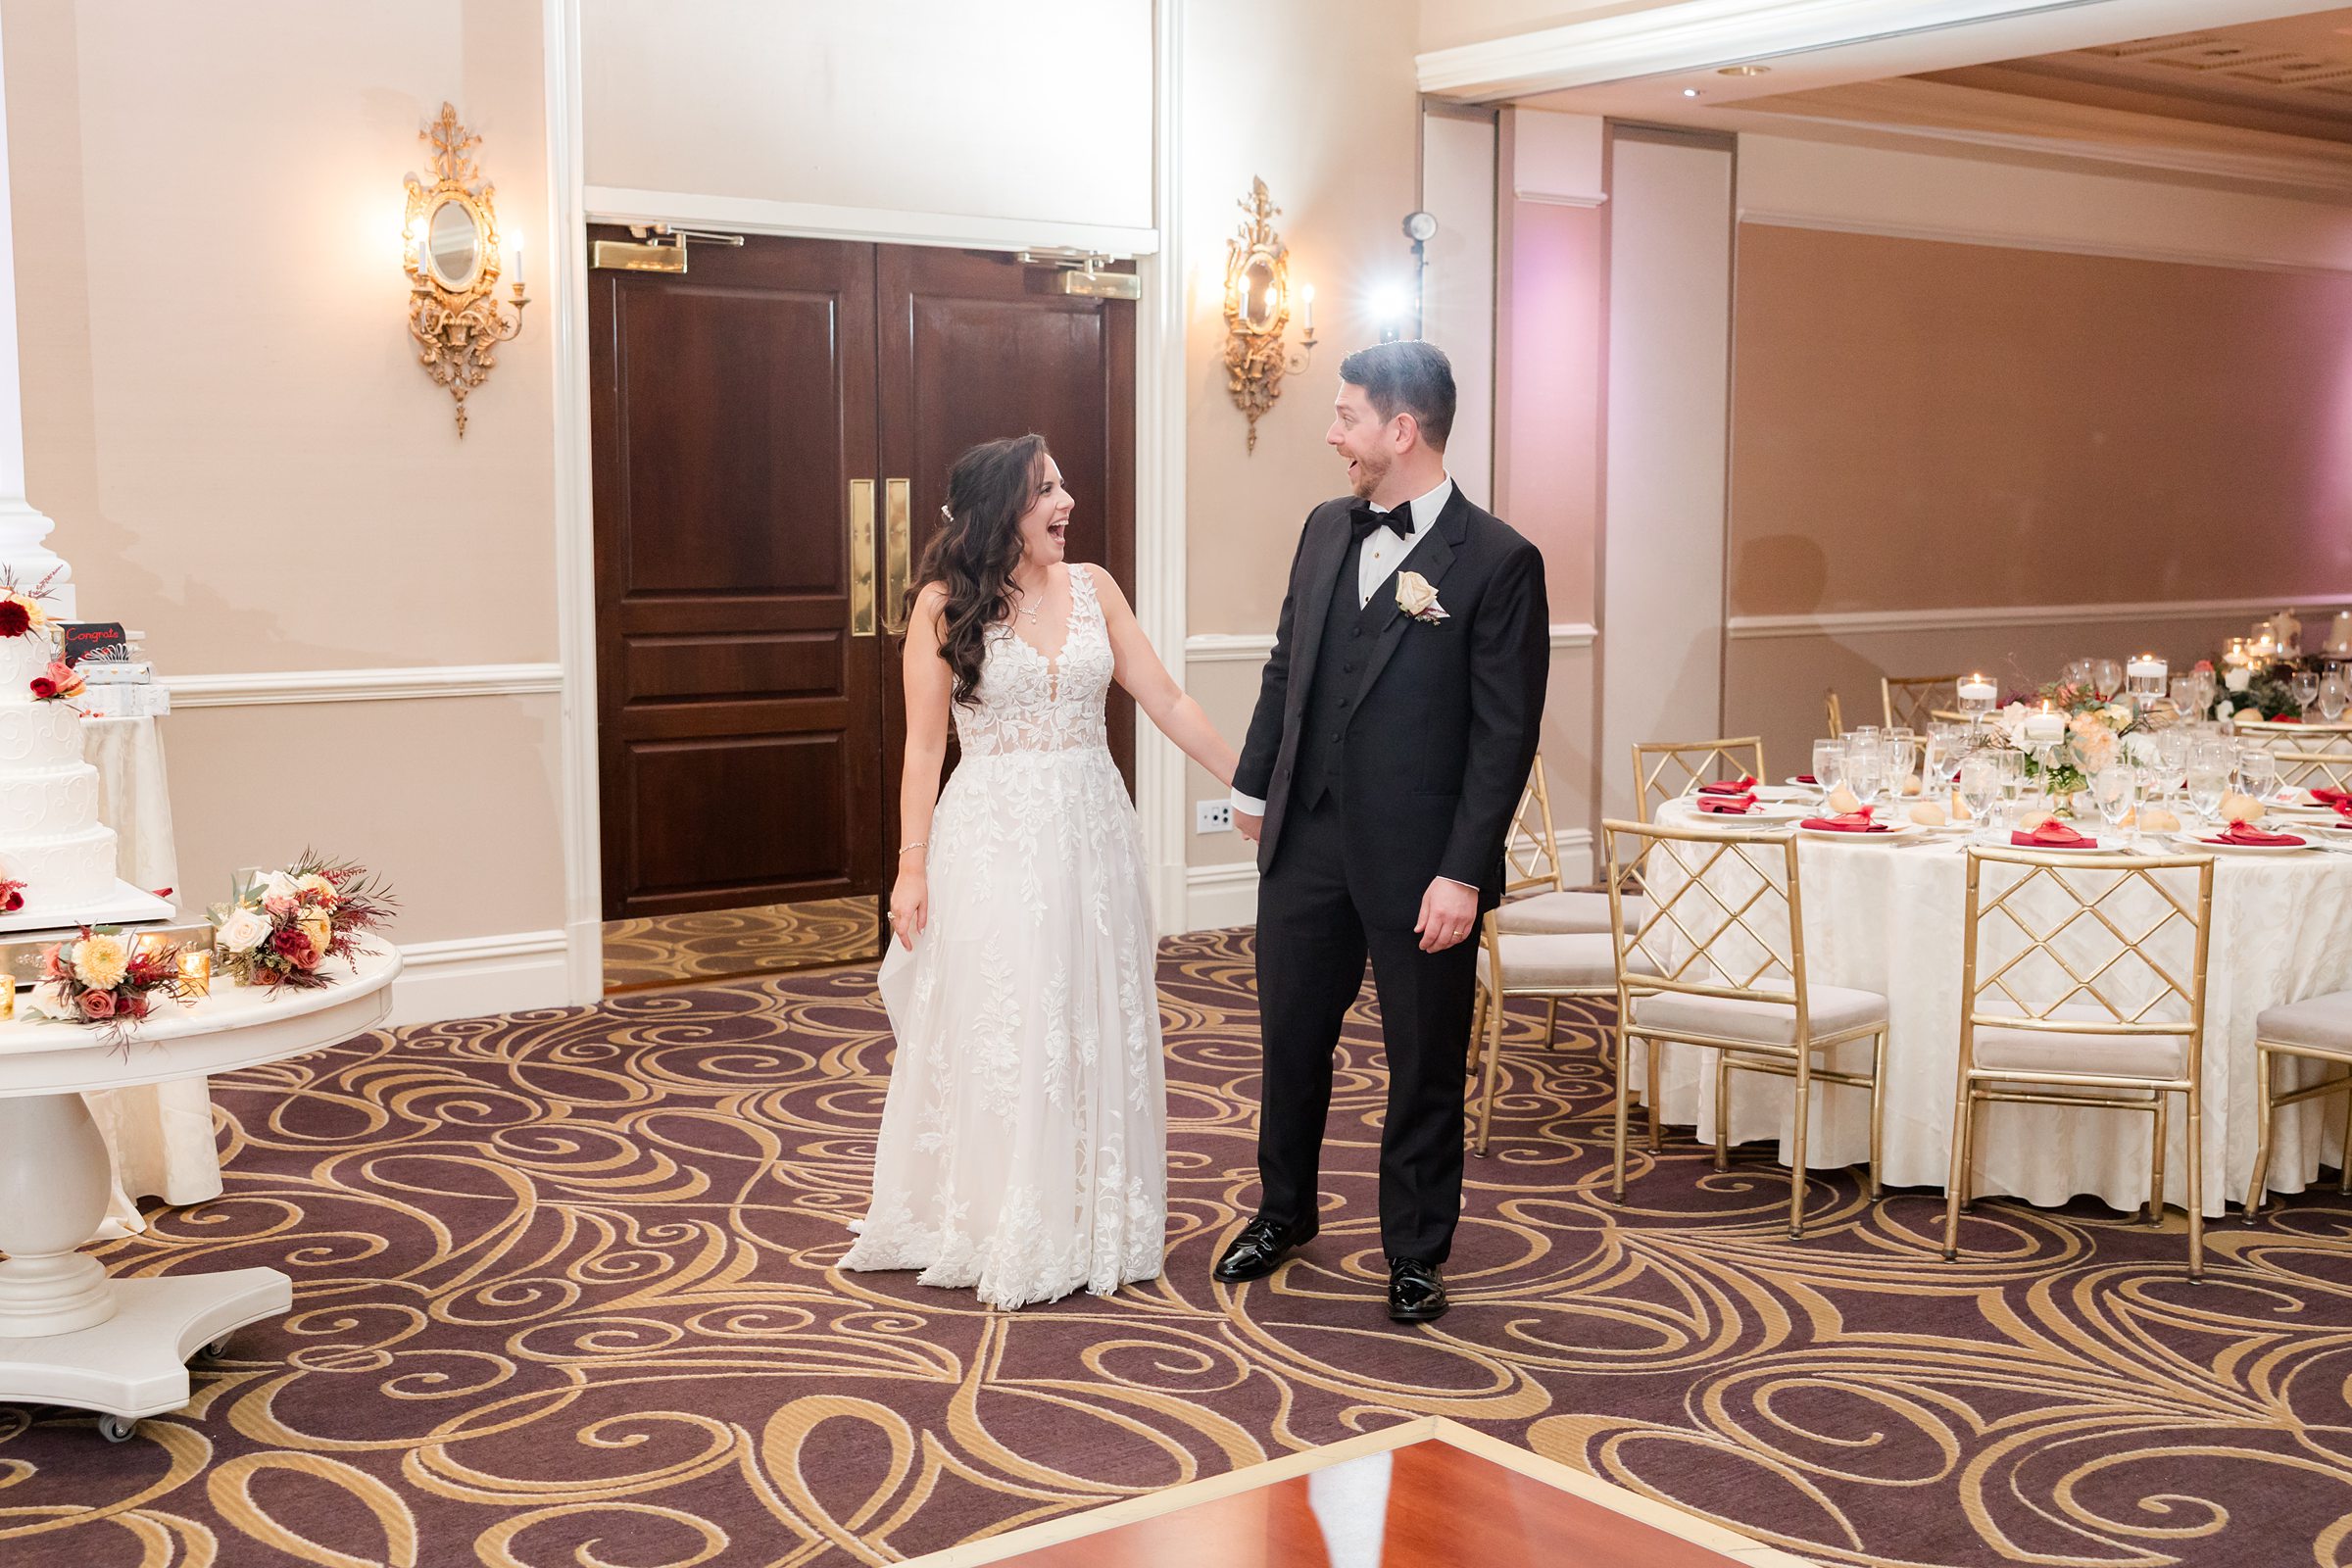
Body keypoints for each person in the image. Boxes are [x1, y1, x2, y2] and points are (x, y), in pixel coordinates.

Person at [843, 433, 1238, 1309]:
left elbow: (1165, 697)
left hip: (1095, 836)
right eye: (1045, 492)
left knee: (1090, 1018)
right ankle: (1001, 1216)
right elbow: (920, 748)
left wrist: (1249, 784)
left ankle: (1094, 1214)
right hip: (993, 842)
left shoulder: (1095, 589)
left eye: (1063, 484)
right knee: (1013, 1025)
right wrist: (909, 869)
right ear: (1000, 514)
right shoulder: (945, 605)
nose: (1067, 503)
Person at [1217, 340, 1548, 1324]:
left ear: (1401, 431)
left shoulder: (1498, 562)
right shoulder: (1325, 529)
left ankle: (1415, 1247)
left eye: (1347, 416)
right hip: (1305, 842)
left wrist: (1463, 872)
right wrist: (1253, 779)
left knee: (1423, 1056)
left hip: (1421, 865)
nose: (1333, 435)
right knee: (1290, 1040)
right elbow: (1288, 663)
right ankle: (1285, 1210)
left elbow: (1504, 741)